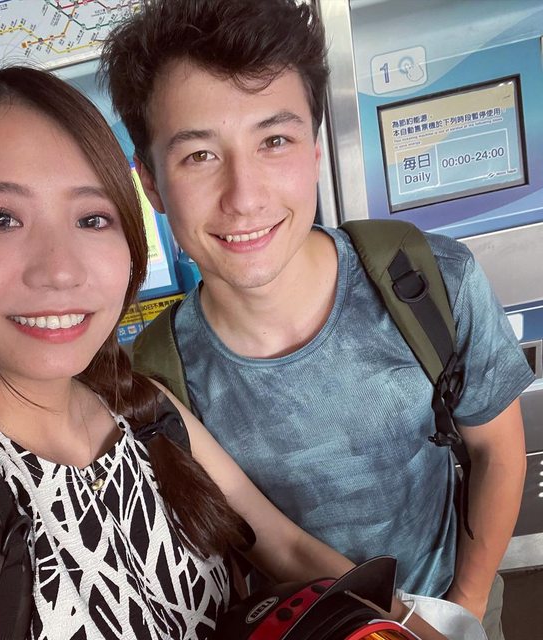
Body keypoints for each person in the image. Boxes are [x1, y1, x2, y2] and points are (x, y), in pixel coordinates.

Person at [0, 65, 447, 640]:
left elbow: (287, 549)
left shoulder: (142, 407)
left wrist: (410, 628)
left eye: (92, 218)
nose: (61, 270)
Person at [102, 1, 534, 638]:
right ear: (152, 185)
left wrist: (461, 611)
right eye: (199, 155)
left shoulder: (427, 282)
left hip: (453, 600)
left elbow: (497, 449)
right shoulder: (158, 381)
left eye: (273, 141)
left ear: (313, 150)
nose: (244, 197)